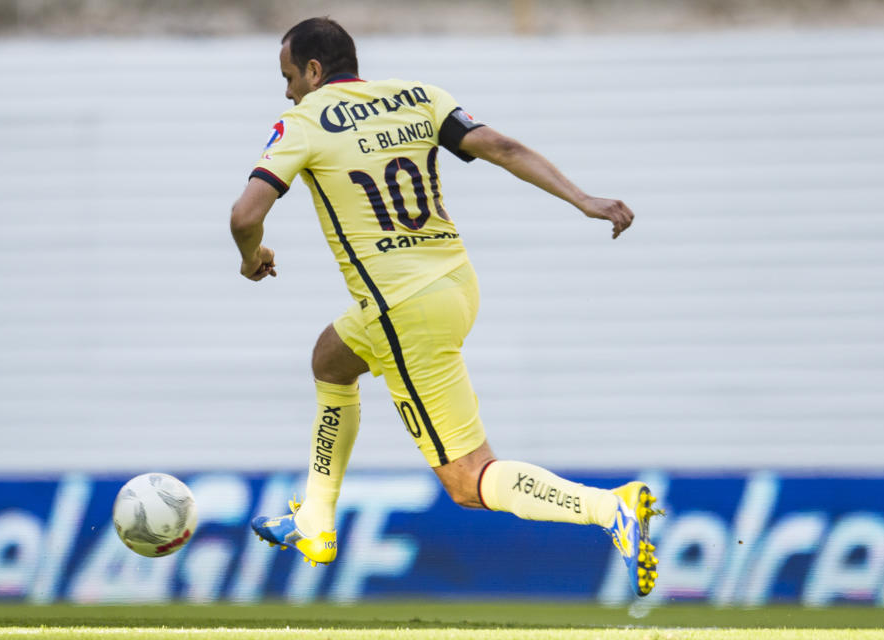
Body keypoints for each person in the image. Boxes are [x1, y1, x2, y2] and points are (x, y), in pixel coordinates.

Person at [231, 17, 662, 597]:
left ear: (313, 71)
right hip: (454, 285)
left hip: (401, 307)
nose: (286, 91)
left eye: (288, 77)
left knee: (466, 479)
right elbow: (500, 146)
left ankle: (610, 508)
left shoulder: (302, 123)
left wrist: (251, 256)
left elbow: (245, 216)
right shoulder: (418, 97)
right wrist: (583, 199)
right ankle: (315, 517)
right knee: (331, 359)